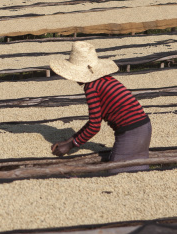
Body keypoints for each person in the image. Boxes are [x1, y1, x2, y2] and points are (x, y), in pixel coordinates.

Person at [49, 41, 152, 173]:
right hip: (143, 126)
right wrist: (69, 140)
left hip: (132, 131)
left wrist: (70, 145)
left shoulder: (91, 87)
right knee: (137, 170)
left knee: (118, 172)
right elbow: (94, 120)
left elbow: (94, 126)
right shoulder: (105, 80)